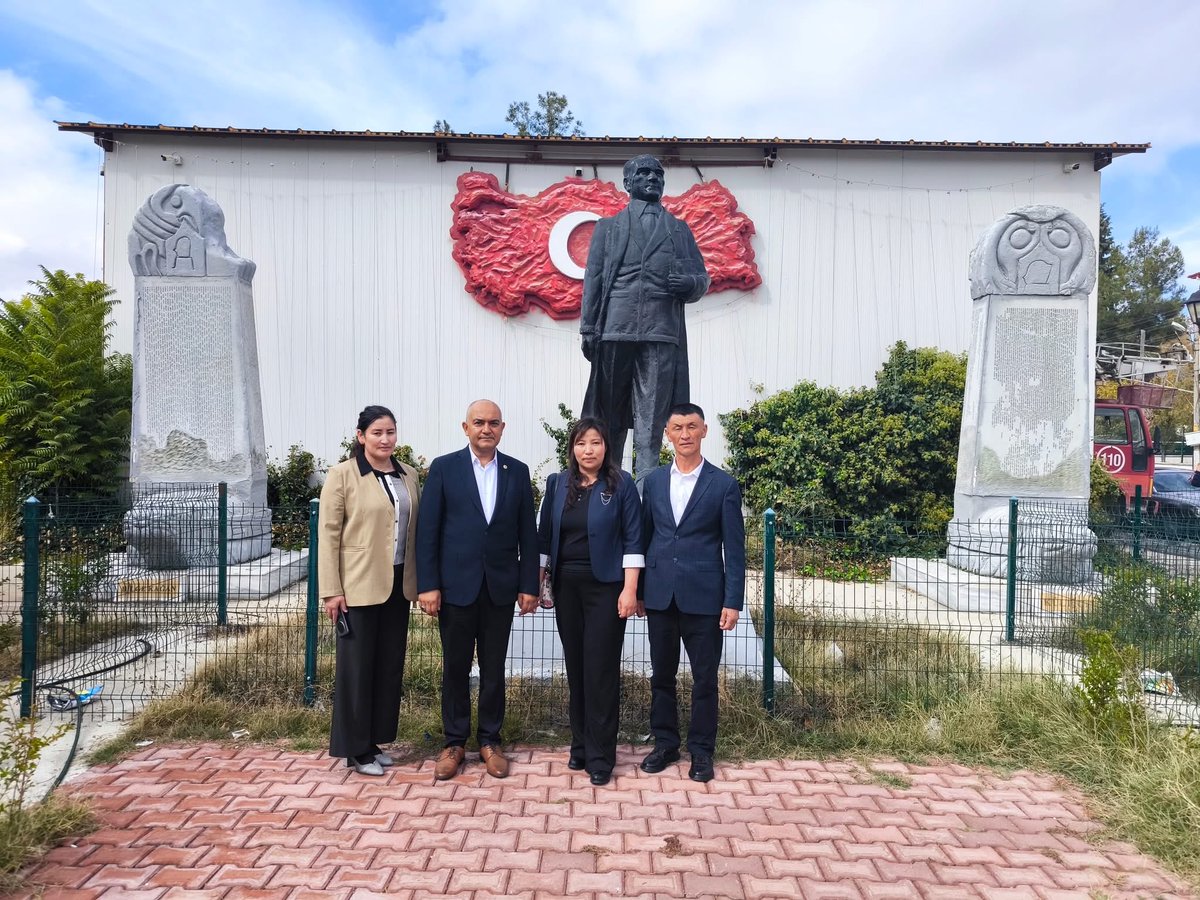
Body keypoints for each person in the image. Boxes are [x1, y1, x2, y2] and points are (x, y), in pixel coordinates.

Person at [416, 399, 539, 780]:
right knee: (454, 667)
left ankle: (490, 740)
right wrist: (428, 585)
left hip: (500, 588)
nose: (487, 429)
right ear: (465, 427)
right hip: (455, 588)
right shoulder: (444, 468)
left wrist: (528, 585)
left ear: (503, 428)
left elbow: (527, 535)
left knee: (494, 668)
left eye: (494, 423)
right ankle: (454, 741)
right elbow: (428, 531)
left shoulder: (516, 472)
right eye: (479, 422)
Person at [580, 154, 710, 482]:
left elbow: (701, 277)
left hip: (660, 332)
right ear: (628, 183)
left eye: (658, 173)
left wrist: (689, 284)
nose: (652, 178)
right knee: (609, 415)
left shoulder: (678, 230)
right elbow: (593, 279)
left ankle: (645, 488)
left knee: (652, 419)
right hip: (614, 330)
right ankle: (609, 486)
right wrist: (588, 328)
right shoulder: (607, 229)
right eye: (644, 173)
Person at [638, 403, 745, 783]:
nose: (685, 434)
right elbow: (644, 538)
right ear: (667, 433)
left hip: (705, 597)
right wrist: (636, 591)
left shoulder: (724, 485)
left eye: (692, 427)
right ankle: (665, 744)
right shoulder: (651, 483)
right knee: (661, 675)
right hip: (660, 595)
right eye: (677, 427)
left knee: (704, 678)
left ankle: (701, 752)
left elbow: (734, 549)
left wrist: (733, 600)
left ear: (704, 431)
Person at [537, 417, 643, 785]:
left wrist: (630, 590)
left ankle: (601, 756)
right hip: (567, 588)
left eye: (596, 443)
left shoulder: (621, 484)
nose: (588, 450)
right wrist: (537, 583)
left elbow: (634, 540)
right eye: (582, 443)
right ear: (572, 448)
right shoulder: (556, 484)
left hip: (606, 590)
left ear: (606, 447)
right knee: (577, 667)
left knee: (600, 671)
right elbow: (543, 536)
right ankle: (579, 746)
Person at [318, 405, 421, 776]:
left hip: (397, 585)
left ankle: (374, 742)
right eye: (377, 432)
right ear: (361, 436)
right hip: (357, 587)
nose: (385, 439)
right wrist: (331, 590)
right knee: (357, 670)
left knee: (387, 667)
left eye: (390, 432)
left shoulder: (407, 475)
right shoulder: (343, 475)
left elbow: (412, 531)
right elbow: (328, 535)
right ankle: (354, 750)